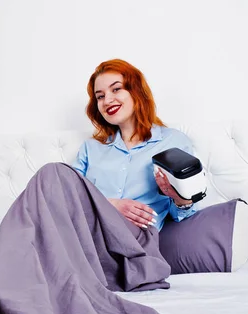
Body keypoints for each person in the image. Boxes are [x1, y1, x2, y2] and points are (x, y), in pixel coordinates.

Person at [72, 59, 197, 231]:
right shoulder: (91, 148)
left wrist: (180, 198)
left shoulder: (173, 142)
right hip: (87, 234)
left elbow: (183, 216)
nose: (107, 100)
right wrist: (111, 205)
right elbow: (68, 197)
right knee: (51, 174)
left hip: (136, 238)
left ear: (136, 91)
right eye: (100, 96)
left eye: (116, 89)